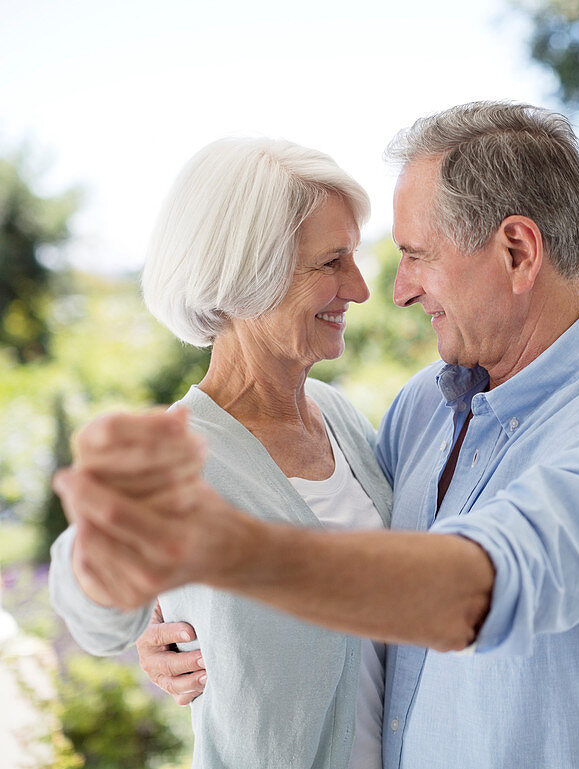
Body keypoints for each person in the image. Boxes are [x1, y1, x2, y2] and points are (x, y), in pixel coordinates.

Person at [53, 101, 579, 768]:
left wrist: (235, 555)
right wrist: (156, 626)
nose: (387, 290)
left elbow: (476, 591)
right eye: (334, 260)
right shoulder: (426, 406)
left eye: (415, 256)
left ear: (517, 252)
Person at [49, 138, 394, 769]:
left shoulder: (342, 418)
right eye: (331, 263)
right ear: (247, 274)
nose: (361, 288)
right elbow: (95, 616)